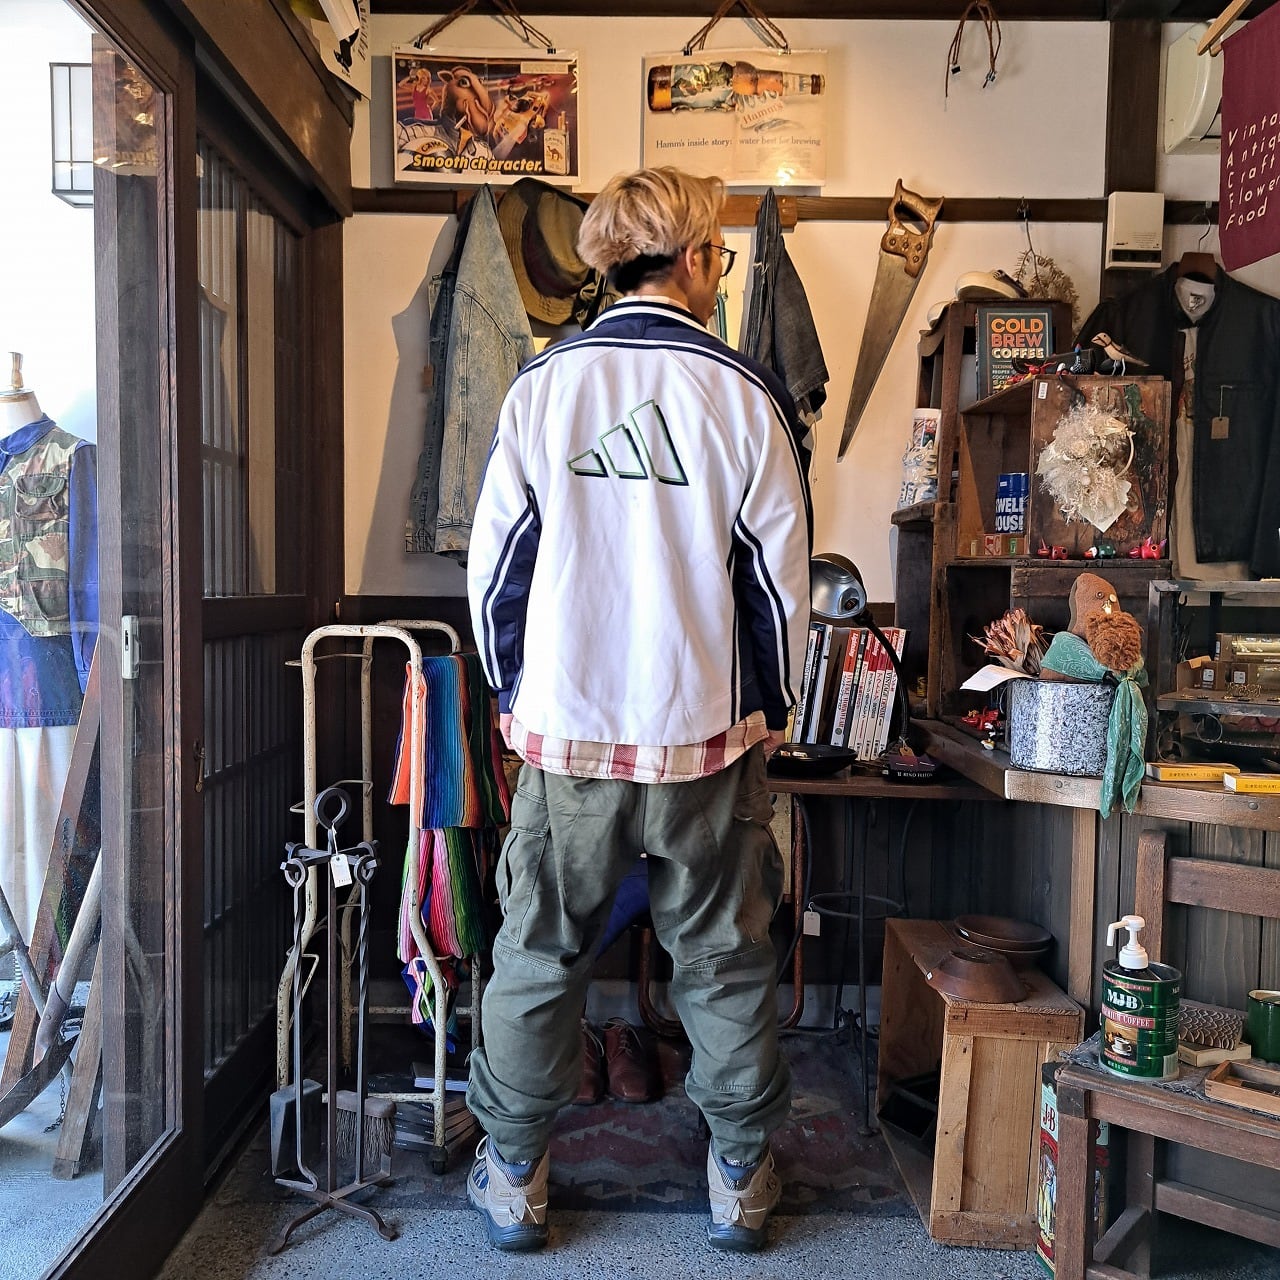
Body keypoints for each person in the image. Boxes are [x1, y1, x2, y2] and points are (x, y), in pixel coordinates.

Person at [464, 166, 812, 1254]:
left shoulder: (541, 386)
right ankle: (739, 1178)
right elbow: (777, 585)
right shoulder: (746, 395)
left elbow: (494, 570)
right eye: (718, 255)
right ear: (697, 258)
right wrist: (769, 709)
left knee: (537, 950)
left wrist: (515, 693)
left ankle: (515, 1176)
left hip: (566, 731)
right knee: (722, 955)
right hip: (702, 733)